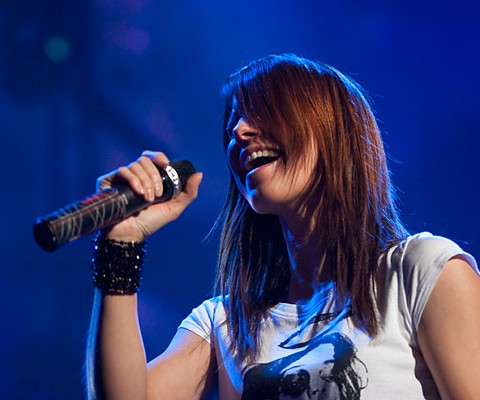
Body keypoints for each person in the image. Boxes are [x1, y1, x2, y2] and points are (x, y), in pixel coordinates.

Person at [86, 54, 480, 400]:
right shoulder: (227, 323)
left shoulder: (421, 272)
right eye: (233, 123)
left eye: (263, 110)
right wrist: (121, 242)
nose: (239, 131)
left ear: (328, 127)